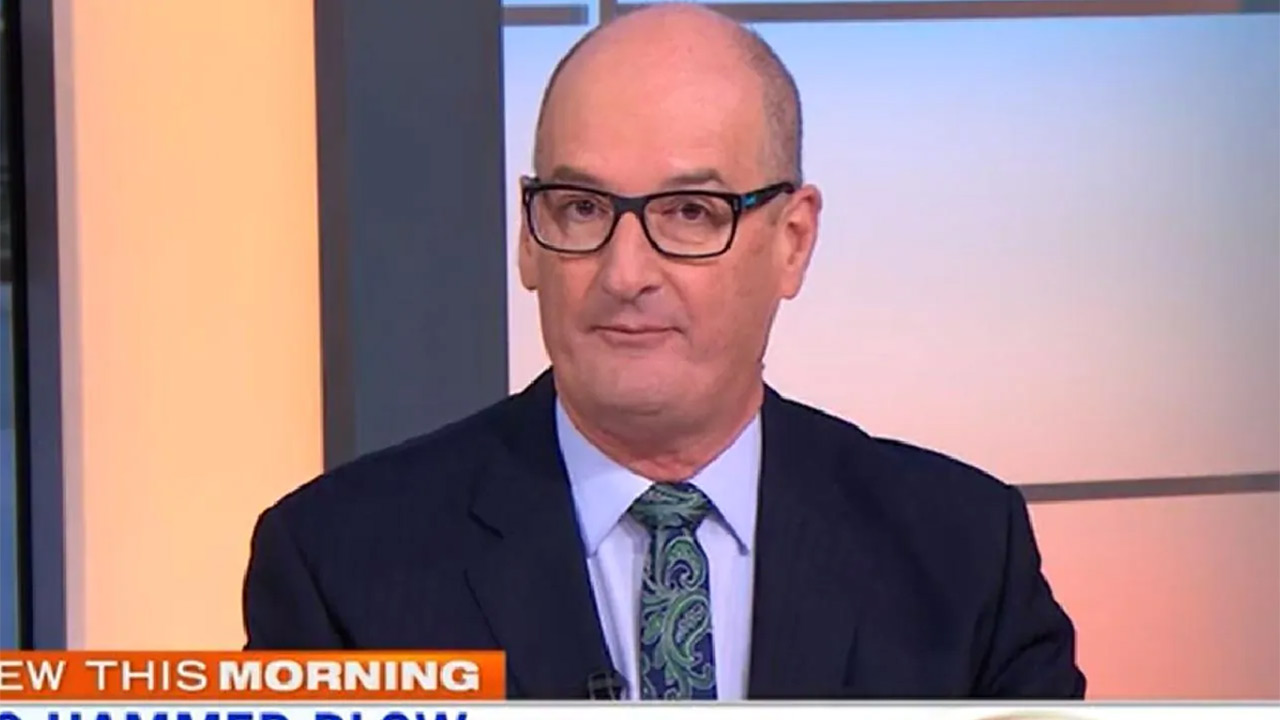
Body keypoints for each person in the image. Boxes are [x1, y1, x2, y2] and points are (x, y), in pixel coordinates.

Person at [243, 4, 1085, 700]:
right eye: (581, 208)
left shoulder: (962, 552)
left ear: (793, 241)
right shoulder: (340, 565)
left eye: (689, 213)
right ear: (528, 239)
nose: (625, 273)